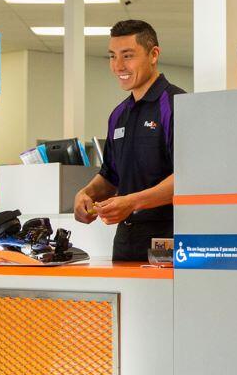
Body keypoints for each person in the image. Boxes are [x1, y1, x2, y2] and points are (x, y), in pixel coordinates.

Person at [74, 19, 184, 262]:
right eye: (112, 56)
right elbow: (111, 175)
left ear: (153, 54)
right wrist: (86, 193)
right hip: (126, 239)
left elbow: (189, 177)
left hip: (168, 238)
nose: (118, 66)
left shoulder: (176, 105)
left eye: (127, 56)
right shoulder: (118, 115)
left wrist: (133, 202)